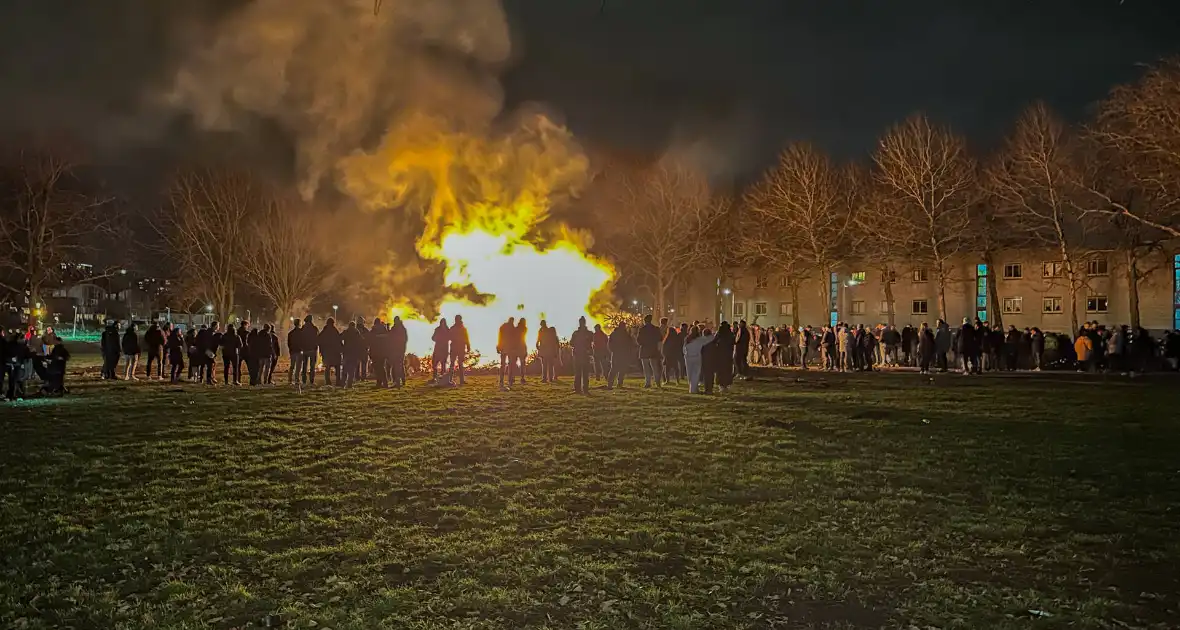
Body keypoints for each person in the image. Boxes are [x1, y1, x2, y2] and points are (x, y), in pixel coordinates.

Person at [702, 322, 736, 394]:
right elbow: (733, 343)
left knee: (721, 371)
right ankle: (726, 385)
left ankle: (721, 385)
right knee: (727, 370)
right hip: (728, 355)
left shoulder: (719, 334)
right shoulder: (730, 335)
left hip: (720, 355)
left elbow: (714, 342)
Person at [683, 325, 712, 394]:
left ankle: (692, 388)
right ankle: (693, 389)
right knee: (695, 374)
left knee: (689, 373)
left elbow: (684, 348)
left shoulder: (687, 339)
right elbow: (710, 339)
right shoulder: (700, 339)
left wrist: (685, 354)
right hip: (697, 357)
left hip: (688, 357)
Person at [636, 314, 663, 389]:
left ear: (645, 321)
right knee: (655, 367)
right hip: (653, 350)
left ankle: (648, 383)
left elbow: (638, 340)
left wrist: (643, 343)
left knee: (646, 368)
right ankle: (657, 382)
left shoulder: (642, 329)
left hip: (645, 350)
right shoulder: (655, 328)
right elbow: (660, 338)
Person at [569, 316, 593, 394]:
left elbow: (571, 343)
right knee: (582, 373)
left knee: (581, 373)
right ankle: (582, 389)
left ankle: (580, 389)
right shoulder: (588, 333)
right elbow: (571, 343)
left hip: (582, 355)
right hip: (581, 354)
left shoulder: (577, 333)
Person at [607, 322, 633, 390]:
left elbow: (609, 343)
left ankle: (610, 384)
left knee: (614, 369)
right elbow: (630, 344)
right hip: (623, 354)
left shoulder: (614, 333)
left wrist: (612, 350)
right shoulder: (626, 334)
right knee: (622, 370)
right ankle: (619, 384)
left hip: (616, 354)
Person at [319, 318, 343, 385]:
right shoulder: (334, 330)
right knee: (337, 366)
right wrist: (341, 349)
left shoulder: (324, 331)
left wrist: (321, 350)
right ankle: (338, 381)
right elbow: (339, 340)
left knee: (327, 367)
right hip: (335, 352)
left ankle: (328, 381)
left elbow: (319, 340)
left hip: (326, 352)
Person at [450, 314, 471, 385]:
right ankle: (451, 379)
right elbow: (449, 337)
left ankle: (460, 380)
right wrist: (468, 346)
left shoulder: (462, 328)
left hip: (459, 347)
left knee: (459, 364)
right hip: (456, 347)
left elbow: (466, 338)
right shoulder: (457, 328)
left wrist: (468, 346)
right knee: (454, 363)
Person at [342, 320, 365, 387]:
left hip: (346, 353)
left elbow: (339, 338)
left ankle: (343, 383)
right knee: (352, 370)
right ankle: (349, 384)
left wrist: (342, 348)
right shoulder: (356, 332)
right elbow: (361, 342)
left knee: (345, 369)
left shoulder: (346, 332)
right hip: (354, 353)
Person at [497, 317, 517, 390]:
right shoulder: (513, 328)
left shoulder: (504, 327)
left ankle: (503, 380)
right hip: (508, 348)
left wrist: (498, 346)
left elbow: (500, 337)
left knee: (504, 364)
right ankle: (508, 380)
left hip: (505, 348)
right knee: (509, 364)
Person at [300, 315, 319, 385]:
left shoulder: (303, 329)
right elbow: (317, 338)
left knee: (304, 365)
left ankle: (304, 380)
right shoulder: (314, 328)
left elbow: (300, 339)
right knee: (312, 366)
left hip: (304, 350)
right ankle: (311, 380)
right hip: (312, 350)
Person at [390, 316, 408, 387]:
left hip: (395, 350)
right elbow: (405, 339)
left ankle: (396, 381)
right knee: (400, 365)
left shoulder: (394, 329)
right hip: (401, 350)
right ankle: (403, 380)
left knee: (396, 366)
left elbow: (390, 338)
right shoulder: (403, 329)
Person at [287, 319, 304, 385]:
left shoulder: (290, 333)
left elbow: (289, 343)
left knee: (292, 366)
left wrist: (290, 350)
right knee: (298, 366)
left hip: (293, 351)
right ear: (299, 324)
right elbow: (303, 341)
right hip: (299, 351)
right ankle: (297, 379)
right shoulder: (301, 332)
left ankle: (290, 379)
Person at [514, 318, 529, 383]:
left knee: (514, 363)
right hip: (522, 346)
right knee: (522, 363)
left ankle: (513, 377)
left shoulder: (516, 329)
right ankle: (522, 378)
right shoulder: (524, 328)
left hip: (516, 346)